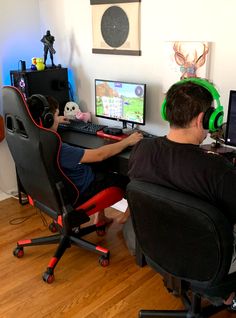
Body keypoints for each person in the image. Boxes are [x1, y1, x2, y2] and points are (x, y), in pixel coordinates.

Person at [128, 78, 236, 309]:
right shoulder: (217, 171)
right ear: (204, 119)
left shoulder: (141, 150)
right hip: (210, 263)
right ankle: (225, 294)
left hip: (160, 250)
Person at [27, 95, 143, 225]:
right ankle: (127, 216)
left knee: (100, 165)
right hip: (80, 192)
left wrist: (57, 120)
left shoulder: (28, 141)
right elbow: (99, 155)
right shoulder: (58, 148)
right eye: (55, 116)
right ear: (47, 120)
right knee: (125, 180)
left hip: (50, 195)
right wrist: (127, 141)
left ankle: (100, 217)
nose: (57, 120)